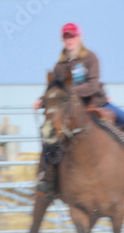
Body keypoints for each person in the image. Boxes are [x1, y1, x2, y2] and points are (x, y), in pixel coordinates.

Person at [33, 22, 124, 195]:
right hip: (71, 111)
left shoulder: (90, 58)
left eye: (72, 36)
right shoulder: (59, 67)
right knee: (50, 136)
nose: (70, 40)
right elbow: (55, 93)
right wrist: (42, 101)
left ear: (79, 37)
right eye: (66, 36)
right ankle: (48, 177)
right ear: (62, 40)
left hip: (97, 102)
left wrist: (71, 93)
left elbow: (93, 84)